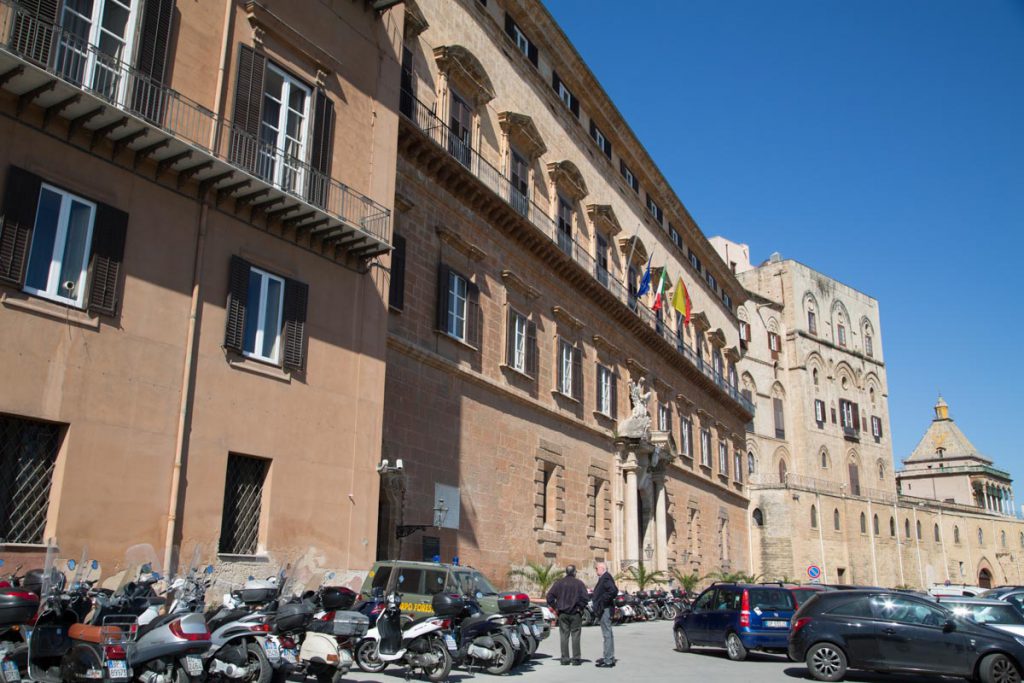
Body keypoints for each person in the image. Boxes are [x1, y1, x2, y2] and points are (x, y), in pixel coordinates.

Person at [546, 564, 589, 665]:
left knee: (564, 635)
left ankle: (565, 659)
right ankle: (576, 659)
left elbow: (549, 597)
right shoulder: (579, 583)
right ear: (574, 572)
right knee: (575, 635)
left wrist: (556, 607)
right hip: (575, 613)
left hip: (563, 613)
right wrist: (580, 608)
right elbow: (585, 598)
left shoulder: (559, 583)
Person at [591, 562, 617, 667]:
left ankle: (608, 660)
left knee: (607, 634)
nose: (596, 570)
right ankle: (608, 656)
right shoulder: (605, 577)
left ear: (602, 568)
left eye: (596, 568)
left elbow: (613, 591)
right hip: (604, 608)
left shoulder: (605, 578)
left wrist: (602, 601)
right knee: (608, 634)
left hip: (605, 609)